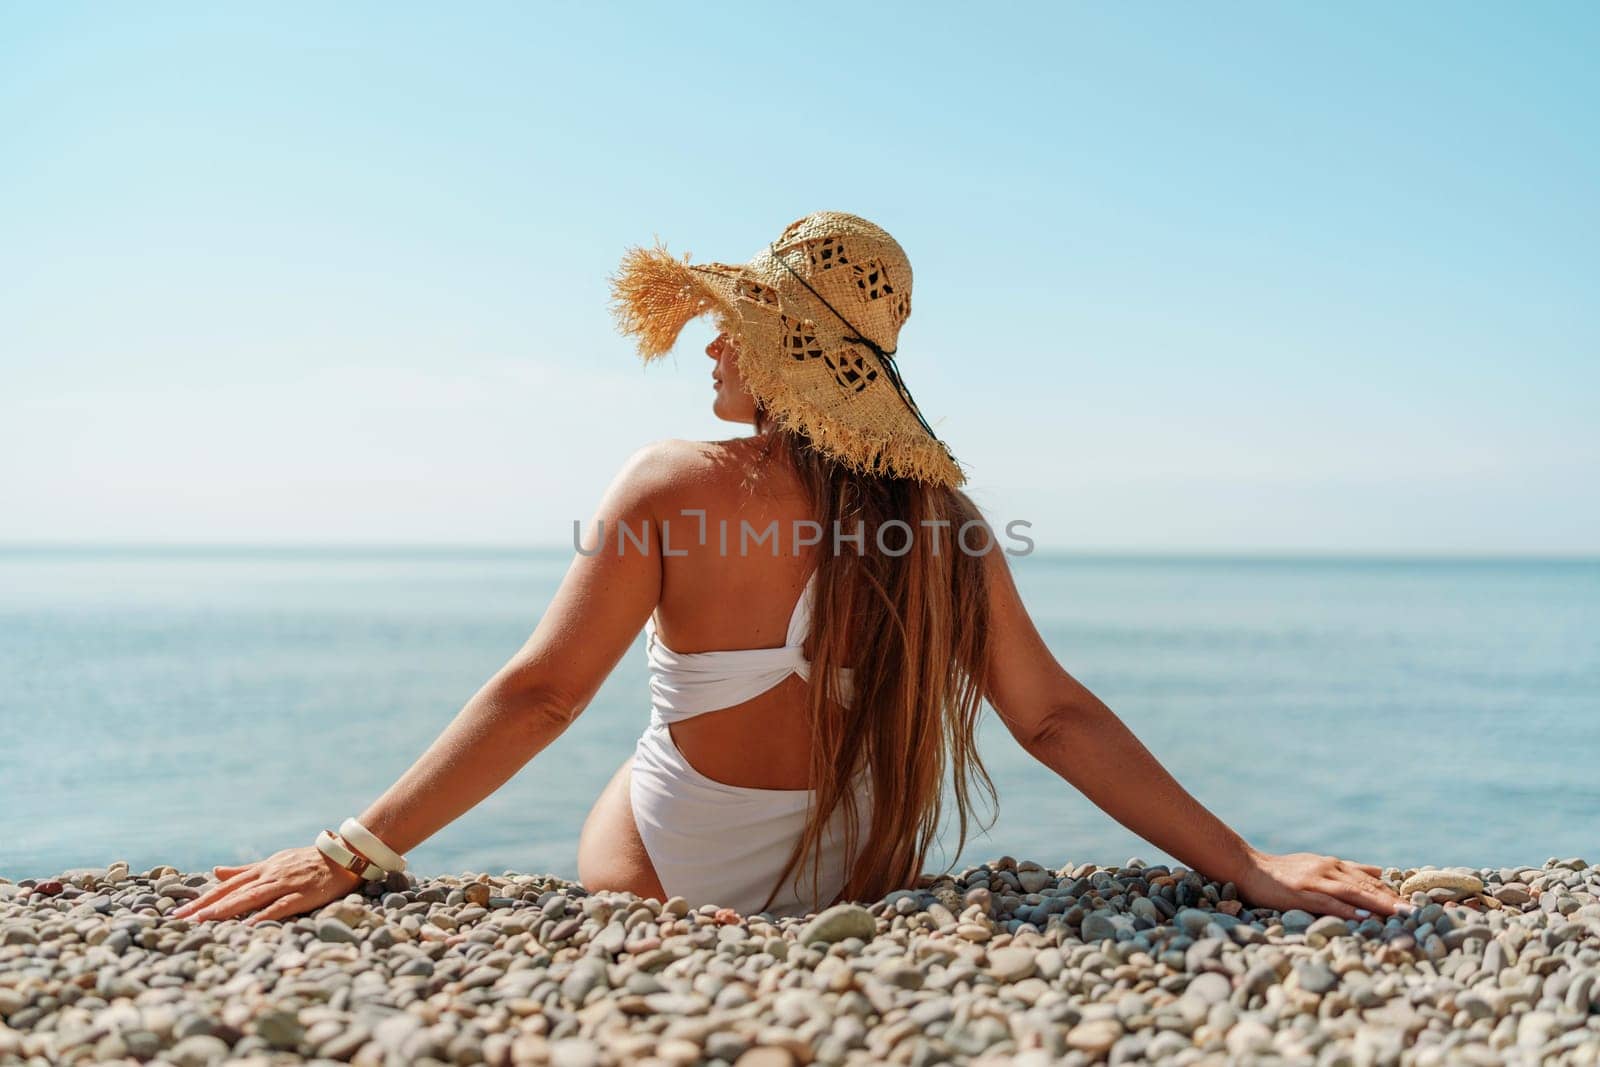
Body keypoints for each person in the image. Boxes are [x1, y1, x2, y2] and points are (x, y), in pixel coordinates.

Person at [174, 212, 1405, 925]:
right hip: (851, 859)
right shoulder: (943, 523)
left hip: (677, 855)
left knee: (636, 755)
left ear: (788, 354)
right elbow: (1054, 715)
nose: (714, 341)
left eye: (742, 322)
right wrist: (1244, 863)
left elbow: (543, 691)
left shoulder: (672, 481)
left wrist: (352, 848)